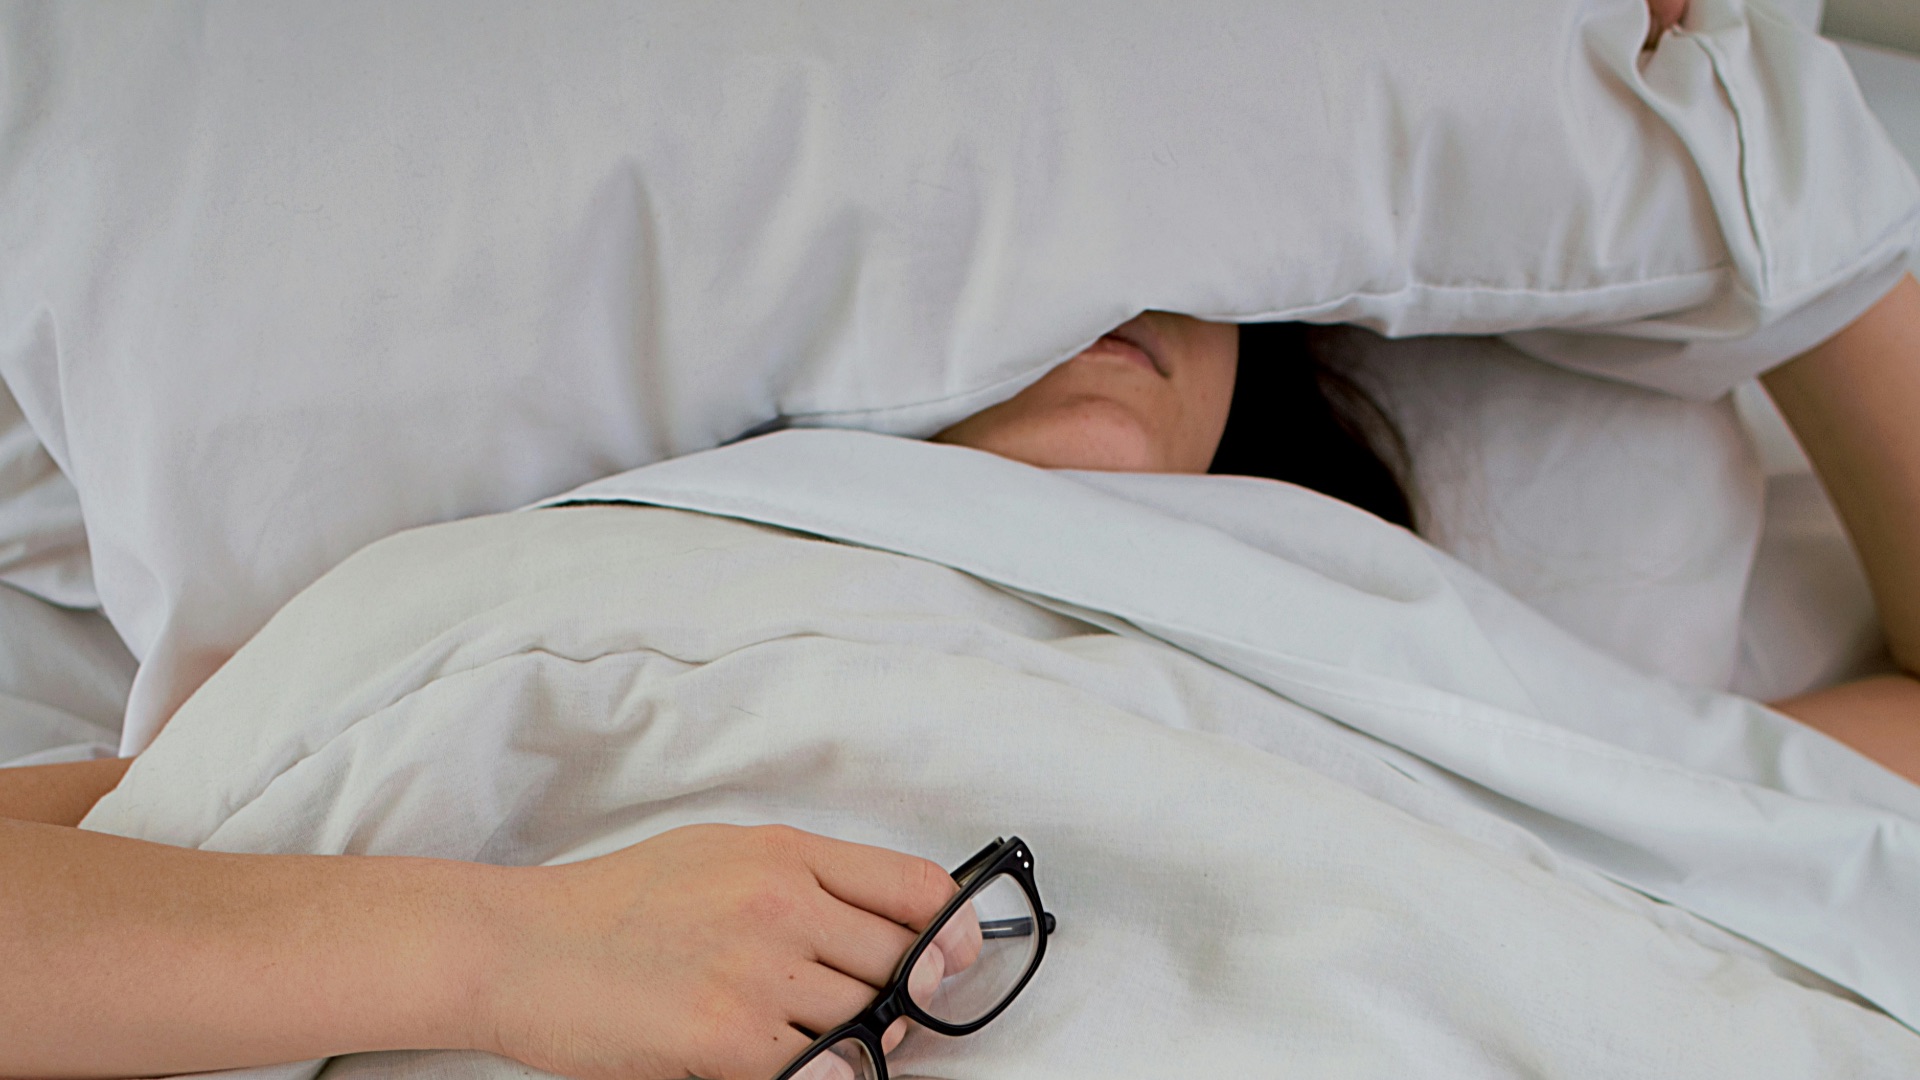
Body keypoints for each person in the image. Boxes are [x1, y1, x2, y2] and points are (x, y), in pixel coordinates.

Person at [16, 16, 1920, 1080]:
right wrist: (500, 953)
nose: (1103, 296)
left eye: (1183, 275)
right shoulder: (607, 592)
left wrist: (1746, 140)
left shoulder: (1417, 664)